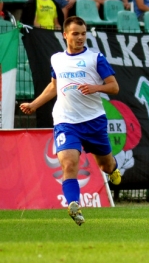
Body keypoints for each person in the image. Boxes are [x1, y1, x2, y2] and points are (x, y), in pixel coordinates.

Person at [20, 16, 121, 226]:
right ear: (65, 35)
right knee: (68, 163)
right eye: (75, 34)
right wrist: (34, 104)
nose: (80, 37)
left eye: (83, 34)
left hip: (93, 120)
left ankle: (113, 169)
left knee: (106, 164)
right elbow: (53, 86)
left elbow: (114, 87)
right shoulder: (57, 59)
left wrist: (96, 88)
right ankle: (74, 205)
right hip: (66, 121)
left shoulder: (95, 58)